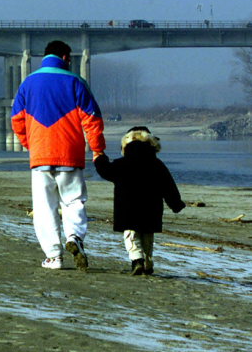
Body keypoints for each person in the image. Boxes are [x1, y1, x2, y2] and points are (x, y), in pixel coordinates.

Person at [11, 40, 106, 271]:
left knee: (44, 208)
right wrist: (97, 150)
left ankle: (54, 257)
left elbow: (17, 121)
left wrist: (31, 145)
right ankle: (74, 237)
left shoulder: (27, 83)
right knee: (73, 201)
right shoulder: (75, 82)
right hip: (70, 155)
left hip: (40, 157)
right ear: (65, 57)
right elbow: (92, 119)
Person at [94, 126, 186, 275]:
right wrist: (176, 204)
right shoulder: (157, 164)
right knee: (147, 237)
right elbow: (168, 185)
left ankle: (137, 261)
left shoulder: (121, 163)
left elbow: (105, 170)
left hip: (127, 209)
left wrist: (99, 158)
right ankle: (148, 261)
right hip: (151, 209)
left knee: (131, 236)